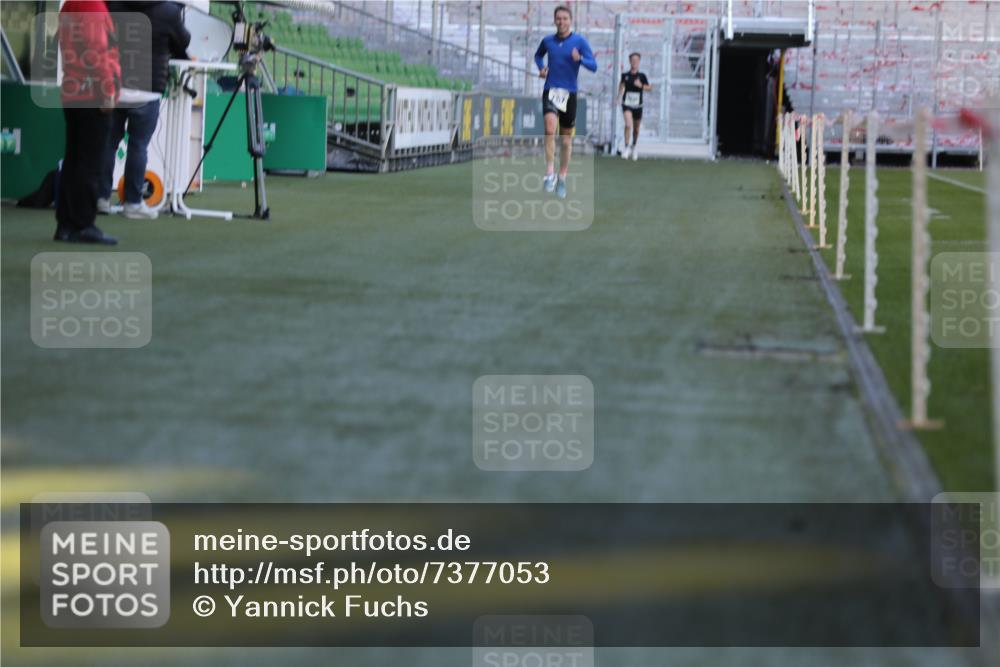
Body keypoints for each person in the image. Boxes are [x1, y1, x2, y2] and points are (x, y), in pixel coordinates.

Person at [98, 1, 191, 220]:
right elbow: (183, 41)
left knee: (108, 143)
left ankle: (100, 198)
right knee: (138, 146)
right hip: (147, 88)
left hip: (115, 85)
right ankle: (132, 203)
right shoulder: (170, 11)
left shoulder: (111, 4)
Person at [54, 0, 121, 245]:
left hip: (74, 90)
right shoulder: (92, 6)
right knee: (90, 163)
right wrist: (107, 90)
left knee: (74, 160)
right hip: (92, 93)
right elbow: (97, 51)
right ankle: (83, 224)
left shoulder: (71, 5)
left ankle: (66, 224)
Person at [534, 5, 596, 199]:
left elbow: (594, 66)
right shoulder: (548, 41)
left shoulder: (579, 41)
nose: (561, 22)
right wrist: (542, 68)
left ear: (571, 20)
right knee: (550, 128)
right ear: (554, 21)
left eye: (565, 18)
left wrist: (580, 60)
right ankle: (549, 173)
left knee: (566, 140)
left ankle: (562, 178)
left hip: (569, 93)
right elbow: (538, 55)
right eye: (558, 18)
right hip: (551, 89)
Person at [618, 52, 650, 161]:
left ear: (639, 62)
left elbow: (649, 88)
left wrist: (641, 86)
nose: (634, 62)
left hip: (638, 105)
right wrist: (618, 97)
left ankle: (634, 145)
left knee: (636, 129)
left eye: (636, 60)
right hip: (627, 103)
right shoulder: (625, 75)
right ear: (630, 61)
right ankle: (626, 147)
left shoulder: (642, 76)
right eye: (633, 60)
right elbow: (621, 86)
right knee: (628, 125)